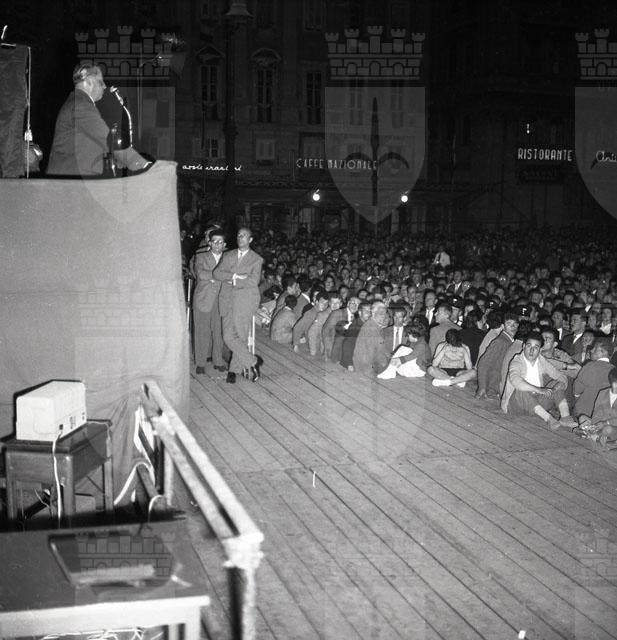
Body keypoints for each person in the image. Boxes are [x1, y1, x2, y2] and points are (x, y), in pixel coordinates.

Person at [47, 63, 150, 176]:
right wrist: (144, 166)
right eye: (100, 82)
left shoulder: (78, 102)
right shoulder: (82, 105)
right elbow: (109, 140)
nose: (104, 86)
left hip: (71, 177)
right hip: (72, 179)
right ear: (89, 81)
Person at [213, 227, 264, 383]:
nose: (240, 237)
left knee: (240, 336)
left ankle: (233, 371)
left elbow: (253, 281)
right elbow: (217, 273)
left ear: (250, 240)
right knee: (228, 337)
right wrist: (235, 276)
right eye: (238, 235)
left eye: (244, 236)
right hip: (227, 300)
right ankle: (253, 361)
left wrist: (233, 281)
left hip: (244, 301)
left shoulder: (256, 259)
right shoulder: (228, 255)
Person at [501, 332, 576, 430]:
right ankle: (549, 418)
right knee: (521, 390)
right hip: (516, 406)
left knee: (556, 383)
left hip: (536, 404)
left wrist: (555, 388)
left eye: (536, 347)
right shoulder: (517, 361)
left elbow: (561, 376)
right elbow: (516, 381)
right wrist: (539, 390)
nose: (531, 350)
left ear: (540, 350)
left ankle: (565, 417)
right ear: (523, 346)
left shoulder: (541, 361)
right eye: (529, 346)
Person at [191, 229, 227, 374]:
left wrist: (212, 277)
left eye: (220, 242)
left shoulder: (228, 258)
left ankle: (218, 361)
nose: (217, 244)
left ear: (224, 244)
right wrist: (219, 276)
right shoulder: (201, 256)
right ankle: (201, 362)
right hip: (203, 299)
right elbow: (201, 274)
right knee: (201, 331)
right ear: (209, 243)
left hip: (221, 300)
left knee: (219, 332)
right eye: (214, 241)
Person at [572, 339, 615, 419]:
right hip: (602, 416)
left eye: (595, 349)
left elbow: (577, 389)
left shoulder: (590, 366)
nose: (591, 350)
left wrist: (578, 398)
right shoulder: (614, 371)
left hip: (583, 413)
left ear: (604, 353)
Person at [352, 301, 389, 377]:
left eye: (385, 314)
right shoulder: (370, 329)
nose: (383, 316)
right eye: (381, 314)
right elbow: (368, 356)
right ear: (373, 313)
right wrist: (370, 373)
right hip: (366, 370)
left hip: (372, 366)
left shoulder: (375, 325)